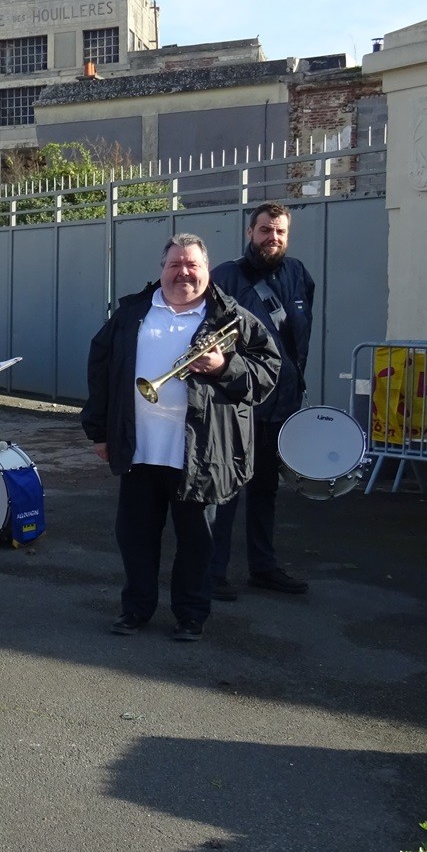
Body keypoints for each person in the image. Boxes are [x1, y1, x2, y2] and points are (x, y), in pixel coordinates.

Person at [80, 234, 280, 641]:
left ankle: (191, 615)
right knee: (135, 537)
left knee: (197, 542)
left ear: (207, 271)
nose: (183, 272)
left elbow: (268, 372)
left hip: (202, 451)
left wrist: (225, 365)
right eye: (175, 265)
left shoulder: (232, 317)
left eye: (193, 265)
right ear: (162, 270)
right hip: (141, 448)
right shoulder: (133, 312)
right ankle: (135, 609)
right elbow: (101, 371)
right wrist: (99, 431)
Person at [207, 202, 316, 598]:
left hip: (282, 404)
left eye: (280, 232)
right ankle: (212, 571)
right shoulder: (225, 277)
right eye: (265, 230)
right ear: (250, 232)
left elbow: (299, 339)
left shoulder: (299, 274)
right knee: (227, 489)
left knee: (266, 489)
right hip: (236, 405)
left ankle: (263, 567)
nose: (273, 238)